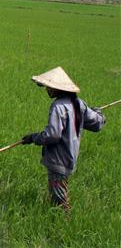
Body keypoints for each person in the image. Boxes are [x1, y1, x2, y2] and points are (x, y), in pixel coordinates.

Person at [21, 66, 106, 212]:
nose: (47, 90)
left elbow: (52, 135)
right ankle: (56, 218)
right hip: (70, 157)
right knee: (58, 193)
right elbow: (97, 124)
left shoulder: (58, 106)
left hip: (58, 160)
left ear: (58, 89)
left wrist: (33, 137)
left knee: (60, 202)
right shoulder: (79, 104)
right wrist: (98, 113)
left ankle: (61, 227)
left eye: (49, 87)